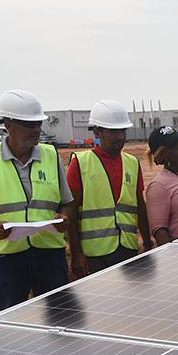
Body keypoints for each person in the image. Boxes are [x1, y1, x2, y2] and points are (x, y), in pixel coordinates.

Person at [0, 89, 72, 312]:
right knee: (9, 324)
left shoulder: (51, 156)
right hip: (8, 258)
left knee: (59, 320)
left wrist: (64, 217)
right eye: (28, 124)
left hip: (50, 255)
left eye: (38, 124)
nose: (36, 130)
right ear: (8, 124)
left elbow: (67, 201)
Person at [67, 100, 152, 278]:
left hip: (127, 248)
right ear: (97, 131)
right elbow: (71, 213)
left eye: (123, 131)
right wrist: (76, 254)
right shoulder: (80, 164)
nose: (121, 136)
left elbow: (139, 204)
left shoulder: (132, 163)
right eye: (114, 131)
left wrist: (146, 241)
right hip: (94, 255)